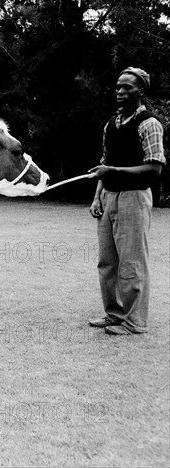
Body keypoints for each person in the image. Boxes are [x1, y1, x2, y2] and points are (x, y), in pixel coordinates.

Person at [88, 67, 166, 335]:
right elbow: (104, 163)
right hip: (108, 197)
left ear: (141, 91)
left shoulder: (149, 123)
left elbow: (154, 168)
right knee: (107, 262)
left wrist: (113, 173)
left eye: (127, 88)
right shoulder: (111, 123)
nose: (120, 92)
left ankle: (135, 322)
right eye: (118, 87)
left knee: (132, 261)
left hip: (134, 197)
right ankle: (114, 315)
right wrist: (98, 195)